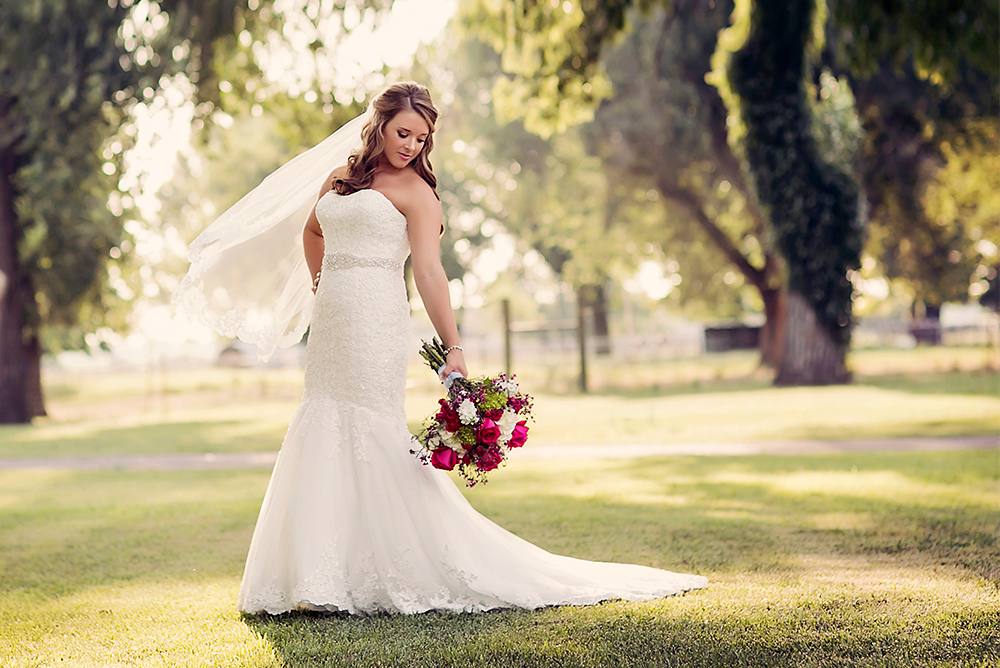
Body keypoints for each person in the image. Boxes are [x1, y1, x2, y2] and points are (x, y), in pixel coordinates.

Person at [175, 82, 707, 615]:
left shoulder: (418, 193)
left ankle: (392, 566)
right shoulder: (339, 178)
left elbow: (429, 271)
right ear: (379, 123)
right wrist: (321, 283)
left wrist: (454, 346)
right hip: (333, 323)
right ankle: (318, 579)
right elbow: (313, 232)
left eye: (422, 138)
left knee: (369, 427)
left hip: (377, 320)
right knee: (324, 419)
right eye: (403, 132)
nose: (410, 145)